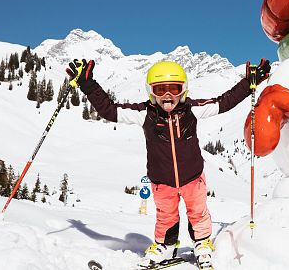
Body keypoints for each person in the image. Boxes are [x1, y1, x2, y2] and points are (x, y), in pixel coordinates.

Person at [66, 58, 271, 270]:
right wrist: (87, 83)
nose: (167, 96)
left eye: (174, 89)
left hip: (193, 178)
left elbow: (224, 102)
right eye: (160, 89)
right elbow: (109, 110)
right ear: (150, 92)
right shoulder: (144, 113)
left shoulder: (192, 109)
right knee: (166, 217)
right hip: (161, 182)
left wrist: (248, 83)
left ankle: (202, 244)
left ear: (183, 90)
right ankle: (164, 245)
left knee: (198, 213)